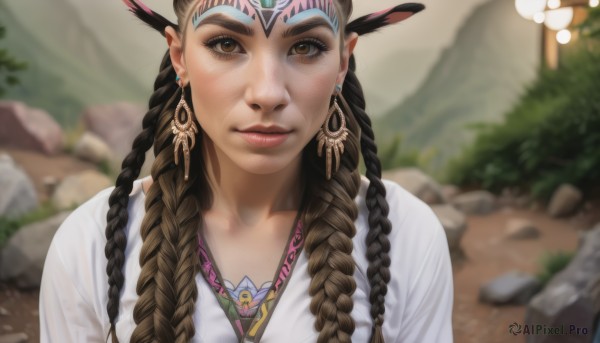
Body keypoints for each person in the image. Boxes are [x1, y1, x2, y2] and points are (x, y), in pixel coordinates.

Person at [39, 1, 453, 342]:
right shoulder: (91, 244)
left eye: (306, 47)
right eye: (225, 43)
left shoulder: (406, 236)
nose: (268, 93)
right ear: (179, 56)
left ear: (343, 61)